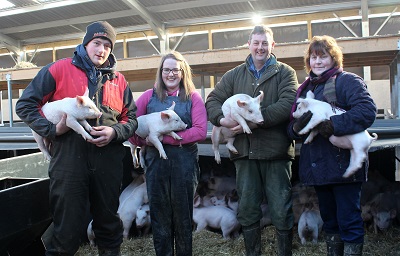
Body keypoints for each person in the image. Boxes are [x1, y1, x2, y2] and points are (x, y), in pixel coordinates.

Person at [15, 21, 138, 256]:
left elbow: (131, 119)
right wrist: (52, 130)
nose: (101, 50)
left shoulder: (118, 80)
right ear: (86, 43)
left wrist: (115, 132)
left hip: (107, 161)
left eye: (107, 46)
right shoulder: (58, 69)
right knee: (66, 230)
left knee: (109, 225)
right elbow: (25, 105)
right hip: (69, 161)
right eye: (96, 43)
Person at [206, 25, 298, 256]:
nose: (260, 47)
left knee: (280, 207)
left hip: (275, 152)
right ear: (248, 45)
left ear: (273, 45)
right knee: (247, 208)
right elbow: (212, 100)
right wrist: (221, 120)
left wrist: (256, 121)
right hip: (244, 153)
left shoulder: (285, 73)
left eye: (265, 43)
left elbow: (288, 105)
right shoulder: (234, 75)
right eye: (256, 43)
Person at [288, 35, 377, 256]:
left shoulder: (346, 81)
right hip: (319, 167)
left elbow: (367, 111)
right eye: (313, 57)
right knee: (329, 221)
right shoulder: (304, 89)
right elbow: (289, 129)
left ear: (333, 58)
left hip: (343, 164)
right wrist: (296, 127)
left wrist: (333, 125)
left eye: (323, 57)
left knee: (349, 219)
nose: (317, 62)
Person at [128, 51, 207, 256]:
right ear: (160, 72)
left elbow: (200, 130)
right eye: (166, 70)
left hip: (184, 164)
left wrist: (164, 139)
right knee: (160, 216)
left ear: (182, 72)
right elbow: (132, 127)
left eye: (175, 70)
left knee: (182, 217)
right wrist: (142, 140)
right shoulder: (148, 96)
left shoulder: (193, 98)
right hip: (156, 165)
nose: (170, 74)